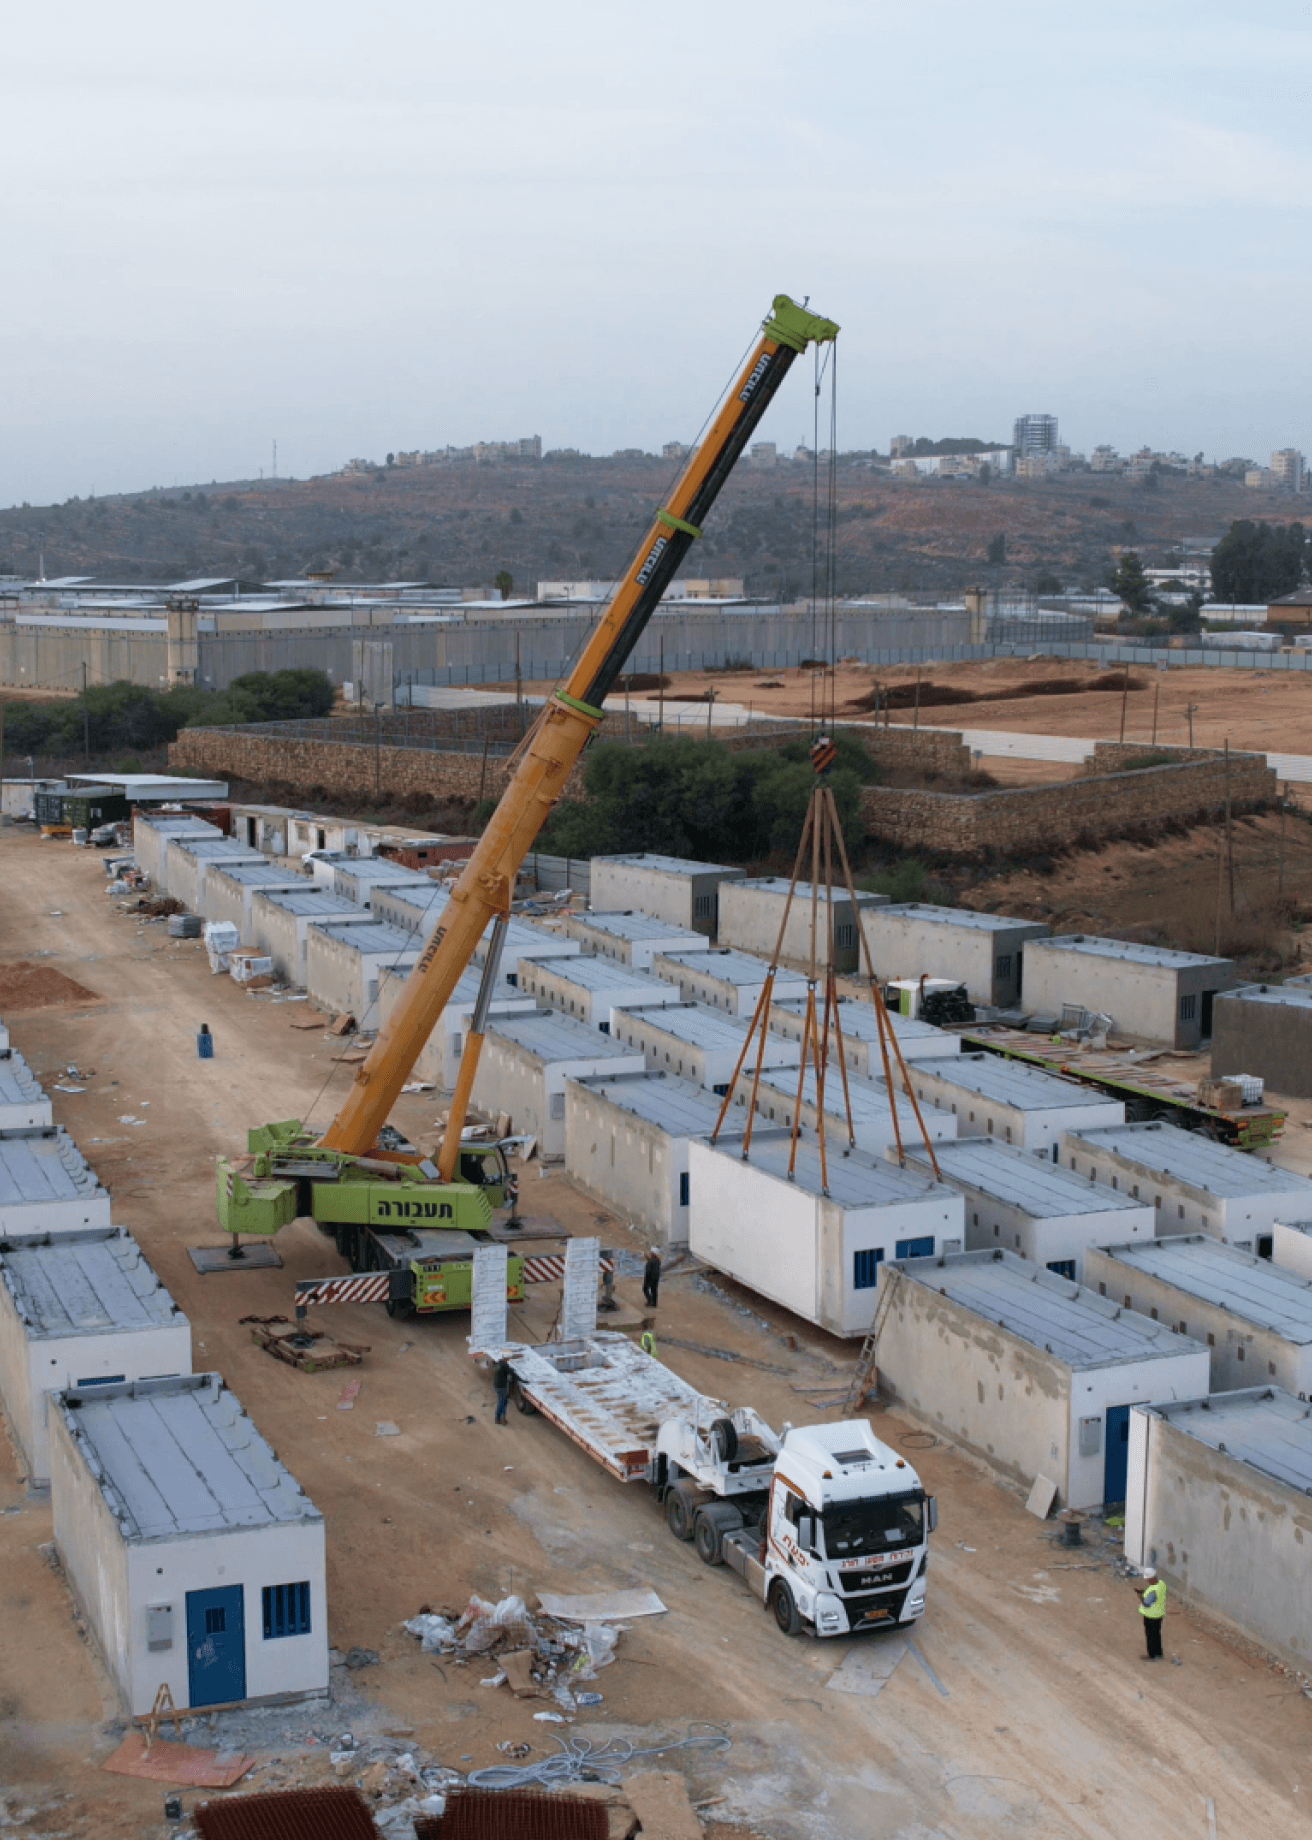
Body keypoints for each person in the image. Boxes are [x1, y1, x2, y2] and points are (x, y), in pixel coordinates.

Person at [1136, 1566, 1166, 1660]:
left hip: (1151, 1616)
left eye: (1148, 1579)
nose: (1147, 1581)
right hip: (1159, 1615)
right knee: (1156, 1635)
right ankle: (1158, 1654)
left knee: (1151, 1636)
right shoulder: (1162, 1584)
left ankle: (1152, 1655)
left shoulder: (1153, 1591)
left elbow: (1146, 1604)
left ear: (1152, 1578)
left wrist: (1140, 1595)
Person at [493, 1357, 513, 1424]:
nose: (508, 1361)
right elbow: (511, 1373)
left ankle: (497, 1419)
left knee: (500, 1403)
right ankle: (502, 1419)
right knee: (503, 1403)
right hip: (502, 1387)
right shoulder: (504, 1366)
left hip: (497, 1386)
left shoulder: (498, 1365)